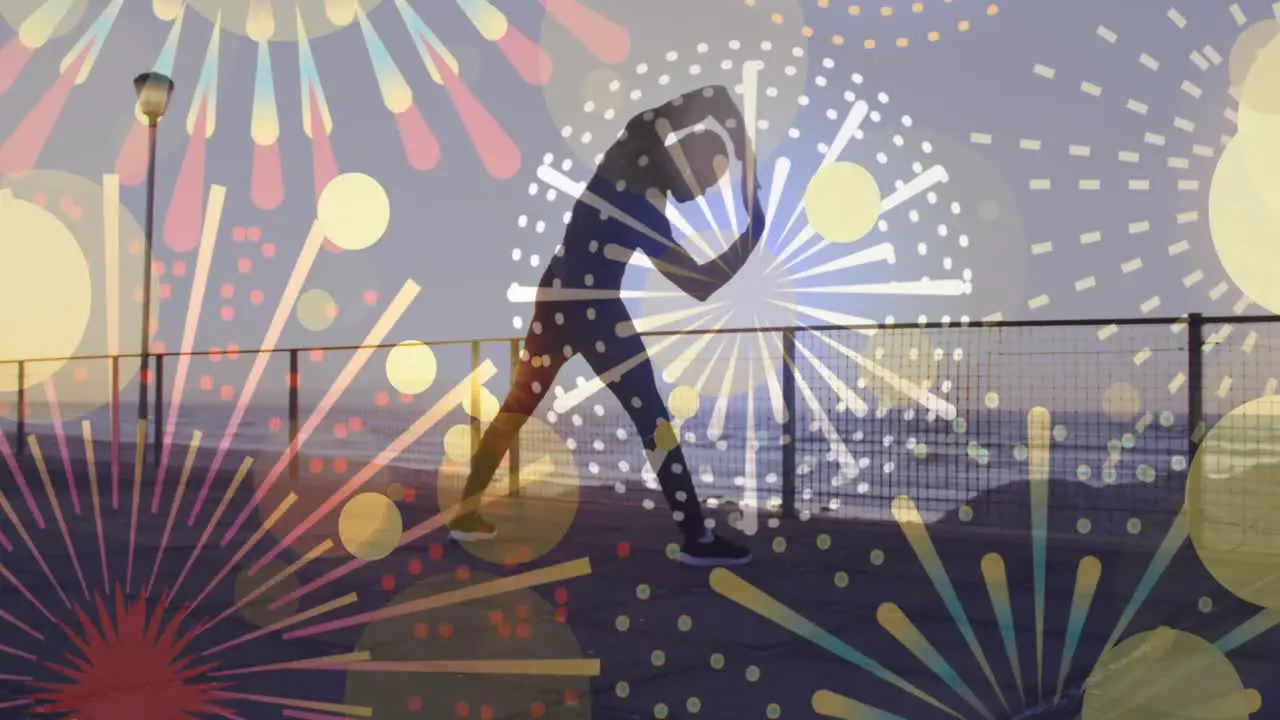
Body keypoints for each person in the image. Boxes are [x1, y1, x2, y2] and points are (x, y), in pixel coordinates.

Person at [449, 84, 767, 567]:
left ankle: (464, 516)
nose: (706, 190)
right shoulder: (641, 157)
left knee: (518, 405)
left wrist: (742, 163)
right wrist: (751, 224)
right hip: (592, 309)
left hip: (555, 294)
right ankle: (697, 540)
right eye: (708, 177)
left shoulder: (639, 168)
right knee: (653, 420)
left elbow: (696, 284)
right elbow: (701, 284)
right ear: (687, 158)